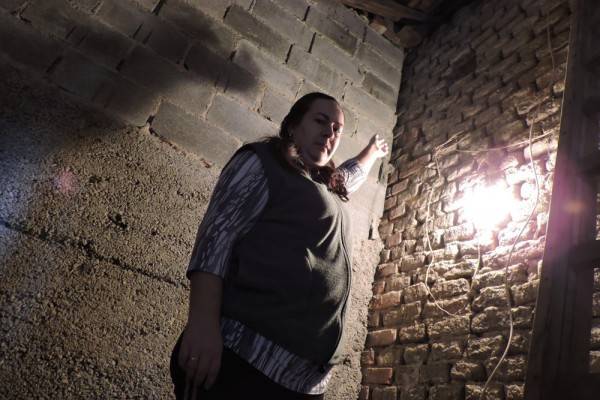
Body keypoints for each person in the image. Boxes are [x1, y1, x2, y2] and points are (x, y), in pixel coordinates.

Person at [170, 92, 389, 399]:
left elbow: (351, 173)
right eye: (320, 121)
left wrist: (373, 151)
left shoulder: (327, 186)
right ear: (293, 125)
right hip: (244, 360)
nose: (330, 132)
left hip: (304, 382)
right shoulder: (263, 161)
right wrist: (202, 323)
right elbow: (217, 236)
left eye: (337, 129)